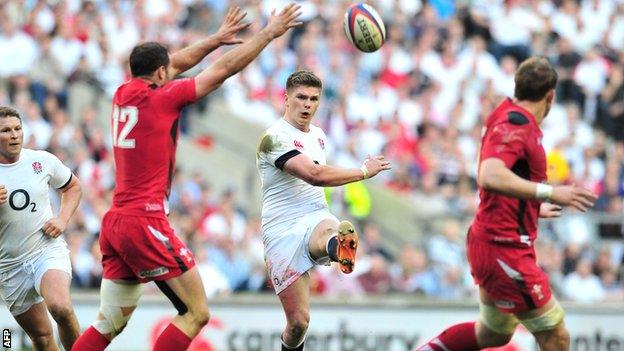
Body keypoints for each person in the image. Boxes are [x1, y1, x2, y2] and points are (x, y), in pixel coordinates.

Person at [71, 5, 302, 351]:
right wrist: (268, 33)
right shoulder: (164, 98)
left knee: (109, 322)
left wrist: (215, 39)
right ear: (161, 74)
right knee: (196, 313)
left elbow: (174, 63)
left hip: (116, 222)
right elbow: (223, 70)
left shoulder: (124, 93)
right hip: (144, 220)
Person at [415, 57, 598, 351]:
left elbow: (505, 177)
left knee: (494, 333)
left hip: (494, 239)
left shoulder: (507, 114)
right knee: (555, 333)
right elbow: (490, 175)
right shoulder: (517, 125)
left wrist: (531, 207)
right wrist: (549, 193)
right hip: (504, 248)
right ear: (550, 97)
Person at [256, 70, 391, 351]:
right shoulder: (273, 138)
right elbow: (314, 174)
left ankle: (338, 247)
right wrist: (363, 171)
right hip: (280, 229)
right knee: (298, 324)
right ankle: (335, 247)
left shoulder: (318, 135)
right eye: (301, 97)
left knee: (329, 228)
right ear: (286, 99)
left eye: (313, 99)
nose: (307, 104)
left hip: (314, 213)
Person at [0, 106, 82, 351]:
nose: (14, 135)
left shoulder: (41, 160)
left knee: (61, 308)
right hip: (9, 266)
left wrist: (62, 218)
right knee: (42, 337)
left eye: (17, 129)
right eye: (6, 130)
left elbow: (73, 187)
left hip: (45, 250)